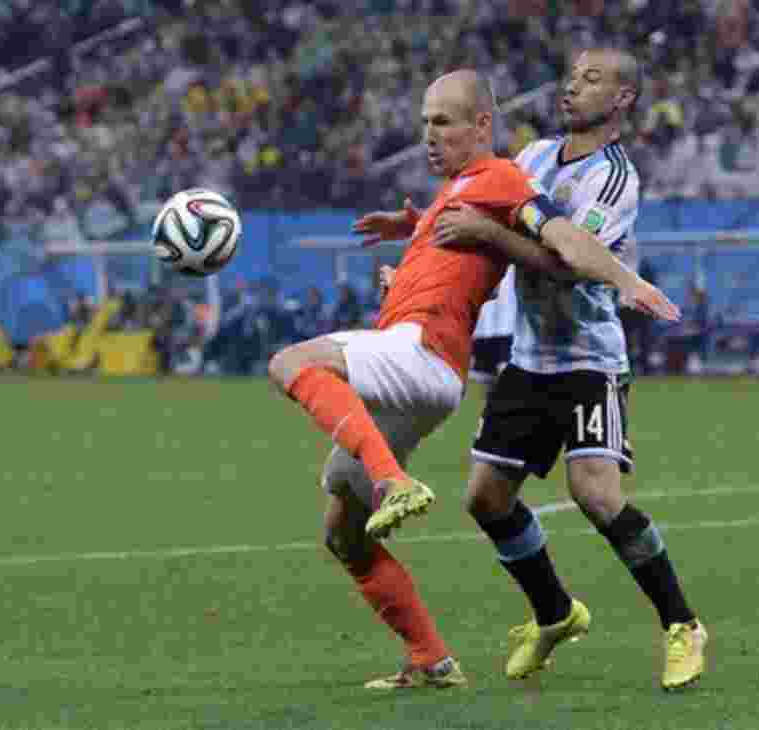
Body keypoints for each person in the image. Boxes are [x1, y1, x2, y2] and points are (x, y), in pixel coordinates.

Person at [267, 69, 676, 690]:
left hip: (424, 354)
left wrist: (626, 280)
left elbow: (564, 239)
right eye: (425, 124)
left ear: (482, 124)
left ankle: (394, 481)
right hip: (421, 360)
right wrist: (413, 232)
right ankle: (431, 660)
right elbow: (465, 248)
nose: (429, 136)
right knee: (345, 533)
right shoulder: (462, 189)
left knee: (291, 363)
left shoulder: (502, 178)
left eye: (444, 122)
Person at [432, 49, 705, 691]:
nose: (572, 86)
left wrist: (489, 235)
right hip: (531, 357)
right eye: (572, 75)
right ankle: (555, 614)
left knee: (597, 494)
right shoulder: (532, 159)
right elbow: (484, 220)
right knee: (485, 497)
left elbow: (568, 262)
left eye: (591, 79)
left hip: (588, 358)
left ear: (624, 98)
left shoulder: (613, 179)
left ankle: (682, 624)